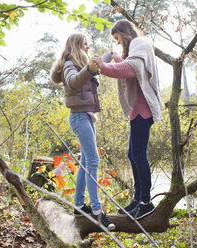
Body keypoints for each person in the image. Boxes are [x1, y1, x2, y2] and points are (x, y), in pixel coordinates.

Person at [92, 20, 164, 220]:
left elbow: (130, 69)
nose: (118, 42)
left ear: (124, 33)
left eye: (117, 38)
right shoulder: (135, 47)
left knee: (138, 155)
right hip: (137, 111)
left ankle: (146, 203)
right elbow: (126, 65)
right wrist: (114, 58)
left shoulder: (139, 43)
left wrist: (103, 66)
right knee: (132, 154)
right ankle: (138, 198)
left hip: (144, 110)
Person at [50, 33, 115, 230]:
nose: (88, 47)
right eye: (85, 44)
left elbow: (93, 66)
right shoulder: (70, 64)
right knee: (93, 160)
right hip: (79, 117)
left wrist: (108, 55)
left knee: (86, 162)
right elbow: (73, 81)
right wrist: (90, 68)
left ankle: (79, 206)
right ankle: (97, 211)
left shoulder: (78, 63)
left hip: (87, 116)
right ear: (77, 46)